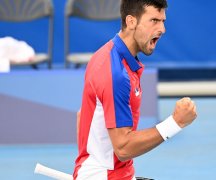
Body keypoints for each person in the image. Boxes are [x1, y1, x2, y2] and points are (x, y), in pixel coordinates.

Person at [73, 0, 197, 179]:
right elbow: (123, 148)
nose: (162, 29)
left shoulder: (112, 57)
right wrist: (175, 123)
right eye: (154, 20)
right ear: (131, 21)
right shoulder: (115, 73)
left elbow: (82, 115)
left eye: (163, 21)